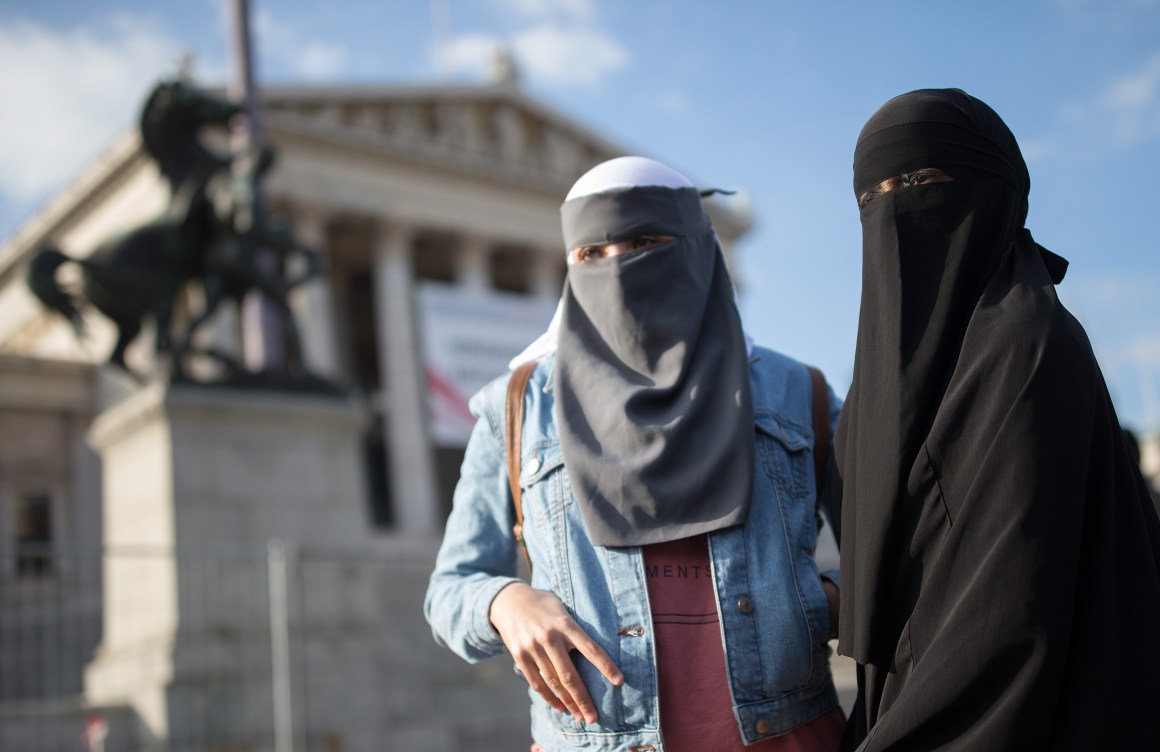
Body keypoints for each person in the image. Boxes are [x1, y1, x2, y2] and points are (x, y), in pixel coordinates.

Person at [425, 156, 846, 751]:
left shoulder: (798, 393)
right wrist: (504, 601)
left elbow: (900, 560)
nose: (619, 267)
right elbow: (450, 588)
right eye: (592, 254)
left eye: (645, 241)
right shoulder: (516, 407)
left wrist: (816, 603)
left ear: (699, 249)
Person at [833, 88, 1160, 750]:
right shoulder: (878, 383)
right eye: (873, 195)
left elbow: (1001, 625)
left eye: (921, 180)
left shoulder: (1027, 347)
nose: (894, 209)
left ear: (994, 188)